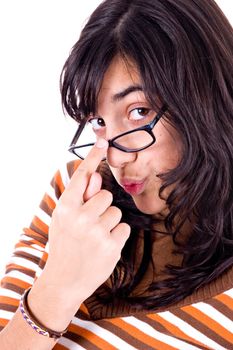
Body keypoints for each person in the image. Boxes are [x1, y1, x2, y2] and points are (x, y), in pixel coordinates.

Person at [0, 0, 233, 348]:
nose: (114, 156)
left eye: (138, 111)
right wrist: (56, 291)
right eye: (98, 121)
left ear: (203, 99)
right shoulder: (79, 198)